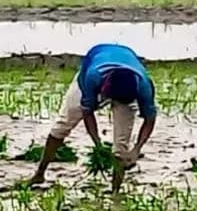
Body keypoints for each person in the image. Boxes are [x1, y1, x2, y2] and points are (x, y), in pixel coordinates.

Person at [30, 43, 158, 193]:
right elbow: (87, 112)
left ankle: (115, 191)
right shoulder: (92, 76)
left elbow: (150, 119)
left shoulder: (144, 87)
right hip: (95, 66)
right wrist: (98, 144)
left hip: (125, 80)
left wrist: (137, 149)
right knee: (63, 125)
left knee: (121, 147)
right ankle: (39, 174)